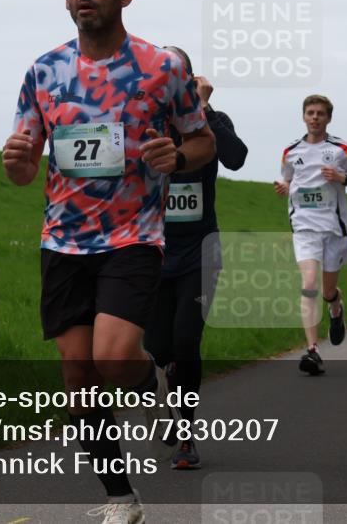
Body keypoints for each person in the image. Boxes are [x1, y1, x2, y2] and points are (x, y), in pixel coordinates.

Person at [2, 0, 215, 523]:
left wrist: (178, 154)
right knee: (78, 375)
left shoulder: (160, 67)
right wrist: (16, 161)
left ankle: (155, 393)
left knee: (115, 357)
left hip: (132, 236)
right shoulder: (43, 71)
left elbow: (202, 141)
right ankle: (121, 497)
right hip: (62, 242)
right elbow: (24, 168)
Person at [144, 47, 248, 470]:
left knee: (186, 342)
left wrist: (201, 106)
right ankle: (164, 401)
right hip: (151, 250)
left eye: (177, 73)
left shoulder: (212, 118)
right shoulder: (144, 117)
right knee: (155, 348)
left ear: (189, 78)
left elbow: (236, 158)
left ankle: (186, 434)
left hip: (200, 251)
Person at [274, 95, 347, 375]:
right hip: (304, 227)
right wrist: (284, 187)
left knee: (327, 291)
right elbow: (290, 180)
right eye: (310, 113)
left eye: (320, 114)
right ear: (303, 116)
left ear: (328, 118)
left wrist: (343, 179)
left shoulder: (343, 150)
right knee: (310, 284)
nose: (315, 117)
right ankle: (312, 350)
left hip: (334, 229)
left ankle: (336, 309)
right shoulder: (290, 151)